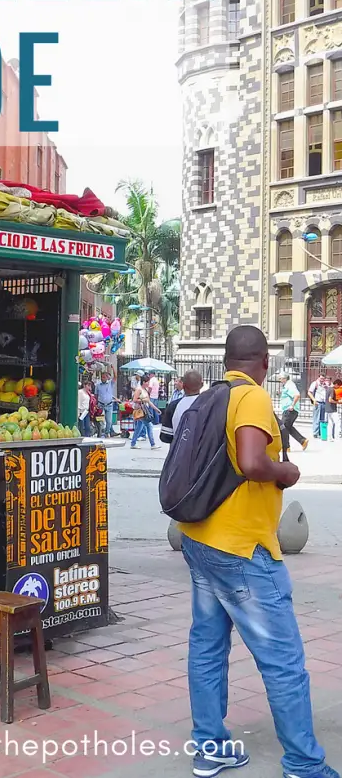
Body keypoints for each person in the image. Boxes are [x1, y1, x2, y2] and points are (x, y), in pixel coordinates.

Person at [180, 326, 337, 778]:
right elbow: (251, 462)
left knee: (207, 646)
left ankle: (209, 748)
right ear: (264, 362)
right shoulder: (252, 398)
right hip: (243, 549)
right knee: (283, 660)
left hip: (200, 538)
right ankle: (305, 765)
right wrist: (284, 471)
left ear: (229, 359)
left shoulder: (212, 396)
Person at [160, 370, 203, 444]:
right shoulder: (209, 404)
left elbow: (165, 436)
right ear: (202, 385)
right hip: (202, 452)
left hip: (179, 451)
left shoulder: (173, 406)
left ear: (183, 385)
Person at [278, 372, 309, 452]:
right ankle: (302, 441)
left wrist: (292, 405)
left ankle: (286, 447)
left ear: (285, 378)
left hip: (290, 410)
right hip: (289, 410)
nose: (279, 380)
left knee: (283, 428)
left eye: (280, 378)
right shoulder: (287, 385)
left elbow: (297, 395)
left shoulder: (289, 385)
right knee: (288, 427)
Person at [130, 374, 161, 450]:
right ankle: (153, 444)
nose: (148, 384)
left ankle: (133, 443)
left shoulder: (145, 390)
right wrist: (143, 400)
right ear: (144, 382)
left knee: (139, 428)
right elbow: (134, 400)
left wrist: (156, 409)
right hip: (141, 410)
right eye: (147, 382)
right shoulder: (139, 389)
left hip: (145, 410)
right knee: (149, 426)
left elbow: (149, 401)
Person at [95, 366, 116, 439]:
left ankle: (107, 433)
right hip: (101, 404)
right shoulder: (98, 385)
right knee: (100, 421)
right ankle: (101, 433)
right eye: (102, 377)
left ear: (107, 377)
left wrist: (113, 368)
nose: (103, 378)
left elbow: (115, 377)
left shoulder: (110, 383)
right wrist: (96, 404)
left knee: (109, 421)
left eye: (104, 377)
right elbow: (96, 395)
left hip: (109, 405)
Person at [308, 374, 329, 439]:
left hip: (324, 402)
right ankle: (315, 433)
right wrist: (314, 400)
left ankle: (321, 432)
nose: (322, 380)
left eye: (323, 379)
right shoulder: (315, 383)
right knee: (316, 418)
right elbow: (309, 392)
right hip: (317, 402)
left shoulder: (325, 384)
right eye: (321, 378)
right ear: (318, 378)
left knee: (322, 418)